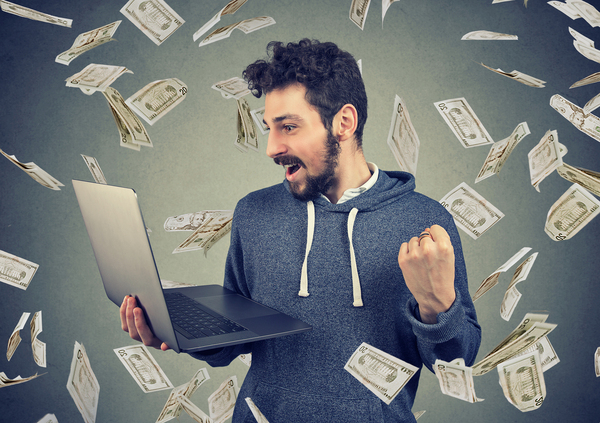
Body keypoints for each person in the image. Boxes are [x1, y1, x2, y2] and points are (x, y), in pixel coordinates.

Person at [121, 39, 481, 422]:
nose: (272, 148)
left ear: (344, 123)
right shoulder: (254, 213)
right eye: (269, 129)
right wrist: (175, 330)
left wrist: (437, 306)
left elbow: (454, 362)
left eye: (288, 127)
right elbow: (232, 342)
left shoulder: (423, 222)